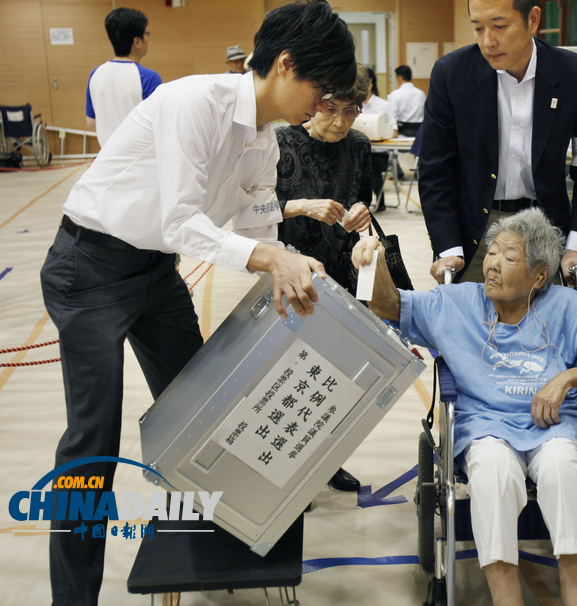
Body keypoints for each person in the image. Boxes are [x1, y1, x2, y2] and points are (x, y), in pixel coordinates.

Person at [40, 2, 356, 604]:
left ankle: (211, 541)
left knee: (203, 410)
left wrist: (292, 269)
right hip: (89, 265)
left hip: (154, 270)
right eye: (321, 89)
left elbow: (257, 227)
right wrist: (270, 260)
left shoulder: (264, 139)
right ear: (286, 65)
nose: (323, 106)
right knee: (92, 442)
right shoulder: (194, 103)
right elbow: (181, 222)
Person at [352, 207, 577, 606]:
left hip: (554, 427)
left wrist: (567, 378)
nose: (493, 265)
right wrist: (375, 261)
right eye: (492, 252)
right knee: (492, 475)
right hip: (485, 428)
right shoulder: (458, 302)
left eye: (509, 257)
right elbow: (389, 306)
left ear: (540, 276)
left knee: (564, 473)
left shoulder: (567, 306)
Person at [420, 0, 577, 286]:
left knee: (546, 313)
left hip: (546, 229)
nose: (488, 41)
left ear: (532, 20)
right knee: (469, 312)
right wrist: (448, 249)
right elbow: (435, 171)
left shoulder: (576, 74)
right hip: (475, 231)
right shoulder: (451, 74)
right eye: (478, 28)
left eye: (499, 26)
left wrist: (576, 248)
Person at [275, 65, 372, 492]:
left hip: (340, 274)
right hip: (290, 272)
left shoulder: (359, 146)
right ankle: (291, 471)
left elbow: (364, 199)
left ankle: (329, 462)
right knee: (286, 373)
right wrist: (301, 205)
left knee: (334, 371)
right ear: (315, 102)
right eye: (332, 109)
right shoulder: (280, 142)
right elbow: (253, 211)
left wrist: (362, 212)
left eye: (351, 111)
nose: (340, 122)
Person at [86, 7, 162, 147]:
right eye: (146, 34)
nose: (148, 39)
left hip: (106, 155)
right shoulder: (149, 78)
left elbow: (91, 122)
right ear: (137, 42)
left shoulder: (95, 74)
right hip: (142, 157)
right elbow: (159, 123)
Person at [362, 67, 398, 211]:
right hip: (359, 150)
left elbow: (394, 131)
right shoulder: (352, 105)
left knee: (371, 166)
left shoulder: (383, 105)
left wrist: (380, 134)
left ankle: (379, 200)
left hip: (379, 152)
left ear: (370, 85)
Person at [388, 65, 426, 136]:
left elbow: (393, 116)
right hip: (420, 133)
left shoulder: (395, 94)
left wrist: (394, 130)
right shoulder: (421, 94)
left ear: (399, 77)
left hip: (401, 133)